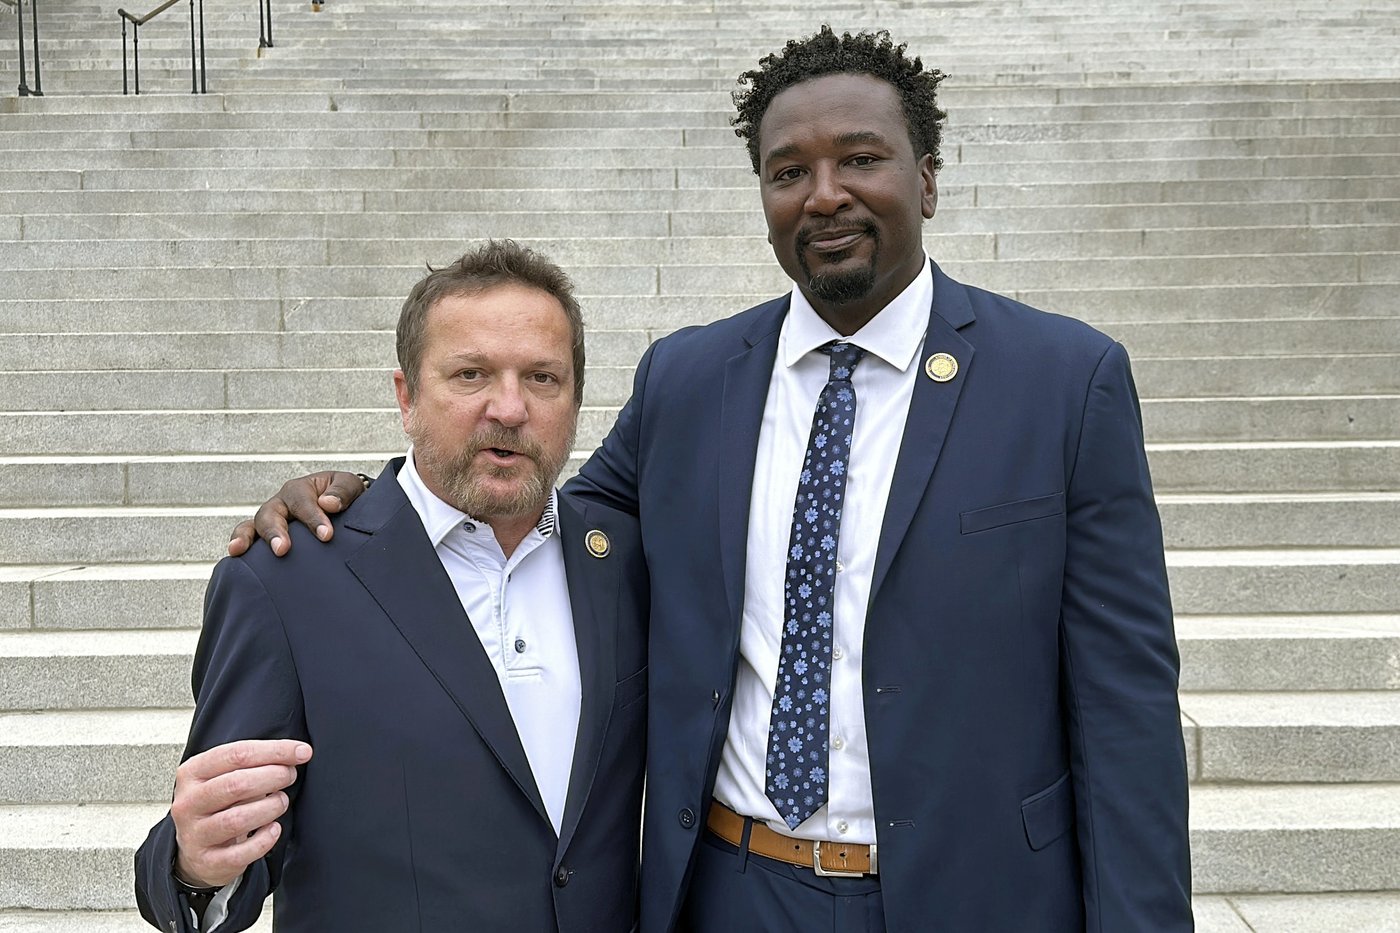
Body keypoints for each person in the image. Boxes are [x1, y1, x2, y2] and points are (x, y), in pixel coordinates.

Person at [231, 27, 1192, 933]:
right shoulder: (689, 379)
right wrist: (372, 504)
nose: (824, 195)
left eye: (861, 159)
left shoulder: (1065, 383)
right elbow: (553, 512)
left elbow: (1126, 710)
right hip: (734, 888)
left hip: (972, 892)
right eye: (789, 171)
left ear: (928, 177)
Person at [136, 240, 649, 932]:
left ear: (576, 399)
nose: (509, 407)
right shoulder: (283, 582)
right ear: (407, 397)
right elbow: (225, 825)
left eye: (542, 377)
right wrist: (193, 866)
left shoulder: (624, 563)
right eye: (470, 374)